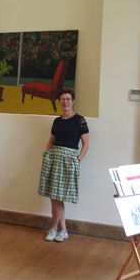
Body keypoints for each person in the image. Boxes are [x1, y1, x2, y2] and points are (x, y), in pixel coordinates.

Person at [38, 89, 89, 242]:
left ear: (72, 101)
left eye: (67, 99)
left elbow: (86, 144)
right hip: (54, 159)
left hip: (68, 162)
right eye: (62, 99)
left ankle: (54, 228)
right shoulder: (57, 121)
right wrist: (47, 154)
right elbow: (51, 140)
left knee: (58, 196)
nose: (65, 102)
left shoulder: (80, 120)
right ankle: (62, 230)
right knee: (54, 197)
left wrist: (77, 160)